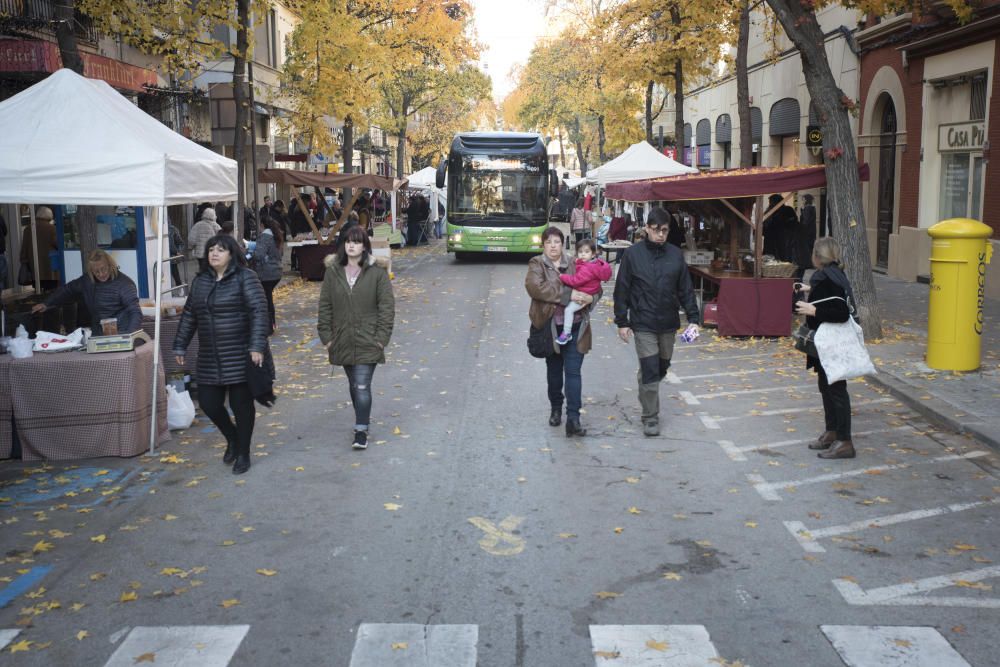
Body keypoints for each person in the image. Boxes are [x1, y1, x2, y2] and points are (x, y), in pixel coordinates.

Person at [173, 234, 270, 474]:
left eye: (220, 250)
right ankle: (233, 438)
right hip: (209, 355)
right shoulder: (200, 281)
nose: (214, 253)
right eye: (211, 249)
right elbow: (189, 315)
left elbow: (259, 312)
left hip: (240, 354)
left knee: (241, 406)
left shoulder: (246, 278)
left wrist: (256, 346)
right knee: (209, 403)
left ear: (232, 254)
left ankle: (244, 453)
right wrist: (179, 345)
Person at [614, 208, 700, 437]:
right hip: (642, 322)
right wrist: (622, 321)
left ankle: (646, 379)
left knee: (662, 366)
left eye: (664, 230)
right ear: (647, 229)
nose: (660, 235)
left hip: (668, 322)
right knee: (651, 370)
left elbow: (685, 289)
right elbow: (622, 289)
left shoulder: (675, 255)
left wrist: (694, 318)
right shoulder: (632, 255)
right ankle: (650, 417)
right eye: (656, 230)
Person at [317, 225, 395, 450]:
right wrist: (327, 338)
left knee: (361, 385)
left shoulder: (377, 272)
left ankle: (361, 429)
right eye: (348, 241)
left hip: (368, 339)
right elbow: (325, 306)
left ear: (364, 246)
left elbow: (387, 308)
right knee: (354, 384)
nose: (351, 245)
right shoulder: (333, 272)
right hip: (341, 339)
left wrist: (380, 339)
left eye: (357, 241)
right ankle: (362, 418)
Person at [525, 226, 597, 437]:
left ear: (563, 244)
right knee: (554, 372)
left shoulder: (576, 262)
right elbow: (535, 287)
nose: (553, 246)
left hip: (577, 326)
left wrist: (592, 297)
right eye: (549, 242)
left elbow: (595, 283)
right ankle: (556, 408)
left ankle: (573, 418)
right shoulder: (537, 264)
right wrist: (569, 295)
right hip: (551, 328)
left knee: (573, 372)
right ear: (543, 245)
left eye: (557, 242)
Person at [795, 237, 856, 460]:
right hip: (828, 342)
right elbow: (834, 297)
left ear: (817, 256)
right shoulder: (833, 274)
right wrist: (812, 289)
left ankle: (845, 441)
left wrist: (813, 311)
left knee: (836, 390)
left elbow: (841, 312)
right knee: (827, 386)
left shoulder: (825, 276)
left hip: (831, 342)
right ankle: (832, 433)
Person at [31, 249, 142, 333]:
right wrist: (47, 303)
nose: (101, 274)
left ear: (110, 265)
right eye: (96, 271)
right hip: (98, 332)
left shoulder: (125, 283)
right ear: (91, 271)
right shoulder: (87, 281)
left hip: (121, 331)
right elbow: (67, 290)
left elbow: (135, 312)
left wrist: (129, 335)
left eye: (103, 269)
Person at [557, 239, 611, 345]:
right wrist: (577, 261)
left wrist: (562, 276)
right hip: (590, 290)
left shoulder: (587, 269)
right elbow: (581, 264)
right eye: (580, 252)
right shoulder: (595, 264)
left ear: (593, 254)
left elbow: (575, 281)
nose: (583, 255)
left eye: (586, 252)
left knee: (568, 310)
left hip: (584, 293)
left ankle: (566, 333)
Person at [20, 206, 59, 289]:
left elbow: (24, 249)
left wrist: (24, 261)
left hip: (34, 267)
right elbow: (58, 244)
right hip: (50, 268)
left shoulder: (28, 229)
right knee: (51, 290)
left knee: (39, 289)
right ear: (49, 216)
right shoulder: (52, 229)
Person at [188, 207, 220, 274]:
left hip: (200, 253)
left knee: (202, 270)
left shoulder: (197, 225)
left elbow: (191, 239)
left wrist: (191, 247)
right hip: (213, 252)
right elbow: (221, 238)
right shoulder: (216, 226)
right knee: (212, 269)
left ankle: (203, 281)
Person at [795, 194, 818, 277]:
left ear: (806, 200)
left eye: (803, 199)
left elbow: (805, 221)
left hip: (806, 232)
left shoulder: (807, 208)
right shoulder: (812, 208)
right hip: (811, 232)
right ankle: (811, 263)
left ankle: (807, 263)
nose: (802, 201)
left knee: (806, 247)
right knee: (810, 247)